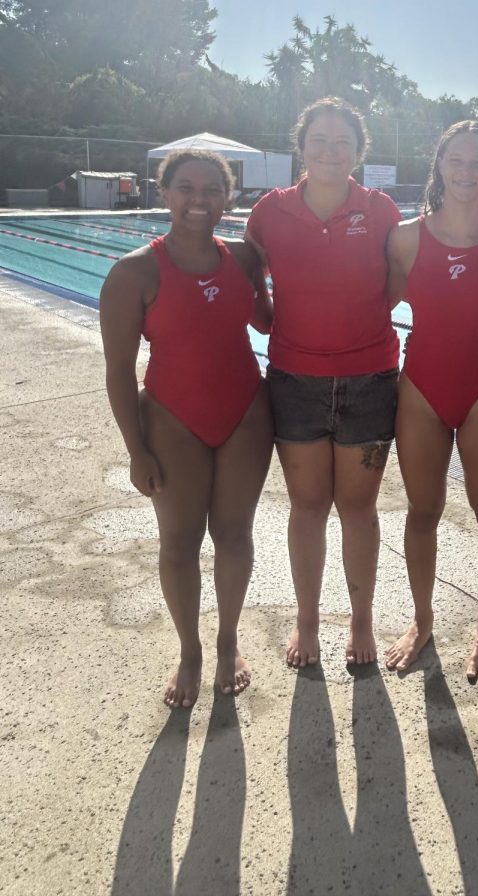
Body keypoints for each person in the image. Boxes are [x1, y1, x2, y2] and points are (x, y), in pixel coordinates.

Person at [100, 150, 273, 708]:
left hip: (247, 412)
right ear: (164, 192)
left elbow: (268, 321)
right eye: (185, 188)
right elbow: (119, 372)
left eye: (211, 190)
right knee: (178, 541)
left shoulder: (245, 258)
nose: (199, 201)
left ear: (229, 197)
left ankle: (227, 643)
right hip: (172, 420)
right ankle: (189, 652)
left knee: (235, 534)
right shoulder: (134, 272)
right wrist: (135, 450)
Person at [245, 98, 400, 668]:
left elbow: (400, 282)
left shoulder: (381, 210)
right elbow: (247, 278)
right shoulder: (271, 211)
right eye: (319, 140)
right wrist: (274, 322)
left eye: (342, 143)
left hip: (370, 380)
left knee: (358, 510)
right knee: (307, 508)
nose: (330, 151)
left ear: (359, 152)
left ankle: (361, 622)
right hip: (296, 380)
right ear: (301, 146)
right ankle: (307, 622)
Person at [384, 122, 478, 681]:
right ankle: (421, 620)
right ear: (439, 164)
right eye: (456, 161)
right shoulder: (405, 237)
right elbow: (372, 304)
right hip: (420, 387)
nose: (466, 172)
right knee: (423, 512)